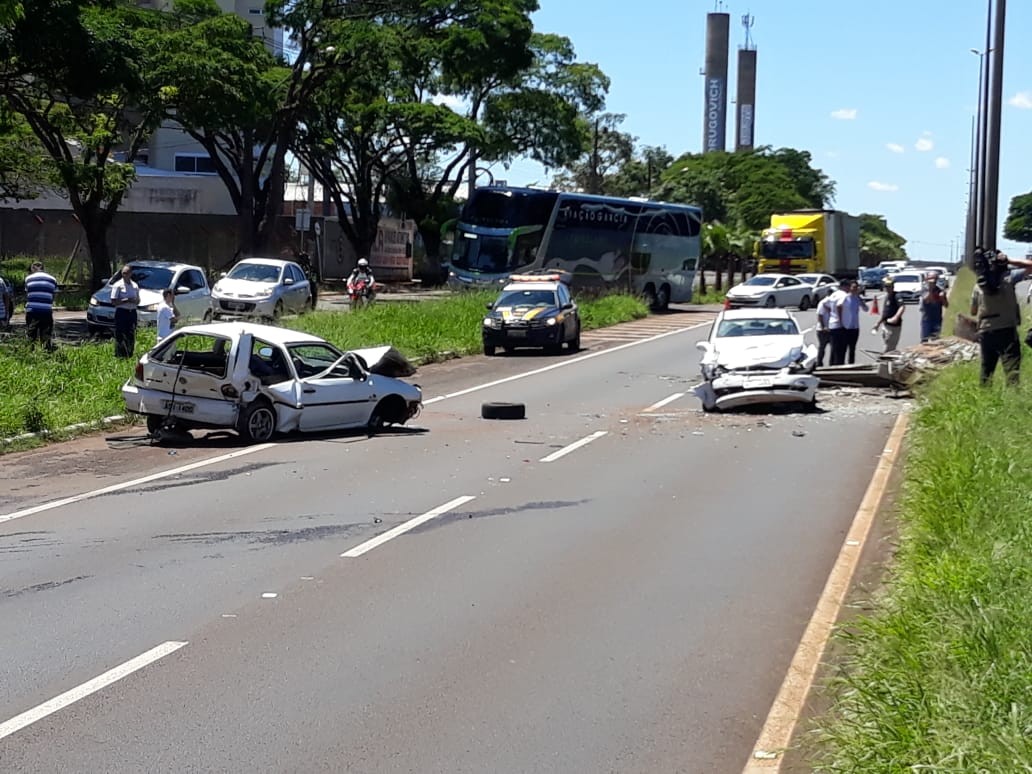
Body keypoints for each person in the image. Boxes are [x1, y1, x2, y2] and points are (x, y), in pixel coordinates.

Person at [970, 250, 1032, 385]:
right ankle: (1012, 399)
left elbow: (973, 312)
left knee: (986, 370)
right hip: (1007, 330)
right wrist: (1009, 260)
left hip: (986, 331)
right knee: (1012, 371)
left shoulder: (978, 286)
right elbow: (1030, 266)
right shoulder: (1009, 278)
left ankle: (985, 398)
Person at [831, 279, 869, 365]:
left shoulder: (857, 298)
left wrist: (860, 299)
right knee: (844, 348)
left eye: (857, 287)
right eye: (853, 287)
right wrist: (840, 321)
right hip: (846, 326)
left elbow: (866, 309)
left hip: (855, 327)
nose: (855, 289)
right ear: (850, 288)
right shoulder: (845, 297)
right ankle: (842, 365)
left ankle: (851, 364)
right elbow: (838, 306)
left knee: (852, 348)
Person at [24, 260, 59, 349]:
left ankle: (30, 353)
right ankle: (46, 353)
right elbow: (55, 294)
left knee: (31, 335)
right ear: (43, 269)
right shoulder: (53, 279)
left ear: (33, 269)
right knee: (46, 335)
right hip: (46, 311)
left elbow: (27, 294)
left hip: (32, 310)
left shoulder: (28, 279)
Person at [110, 264, 140, 358]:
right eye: (123, 273)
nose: (124, 275)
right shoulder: (118, 285)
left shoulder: (135, 285)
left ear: (130, 273)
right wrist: (126, 300)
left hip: (132, 312)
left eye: (126, 273)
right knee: (120, 334)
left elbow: (138, 300)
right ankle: (119, 355)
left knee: (131, 333)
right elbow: (113, 301)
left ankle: (129, 354)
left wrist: (135, 301)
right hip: (122, 312)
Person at [872, 276, 905, 353]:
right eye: (886, 286)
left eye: (889, 286)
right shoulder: (887, 296)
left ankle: (883, 363)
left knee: (889, 348)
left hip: (894, 326)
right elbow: (885, 313)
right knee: (886, 344)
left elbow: (902, 307)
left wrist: (896, 317)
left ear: (893, 286)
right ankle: (887, 363)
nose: (887, 288)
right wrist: (878, 323)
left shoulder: (897, 296)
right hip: (886, 325)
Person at [919, 272, 949, 343]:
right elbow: (927, 300)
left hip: (937, 319)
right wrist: (930, 290)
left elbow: (946, 305)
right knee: (925, 340)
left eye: (934, 279)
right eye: (930, 279)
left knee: (936, 340)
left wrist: (942, 298)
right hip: (927, 319)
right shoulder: (924, 289)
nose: (932, 281)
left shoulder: (940, 290)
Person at [814, 290, 835, 367]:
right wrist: (823, 327)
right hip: (822, 330)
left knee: (834, 348)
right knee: (822, 347)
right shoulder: (823, 302)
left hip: (833, 328)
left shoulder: (834, 302)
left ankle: (832, 364)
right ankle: (819, 363)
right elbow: (820, 315)